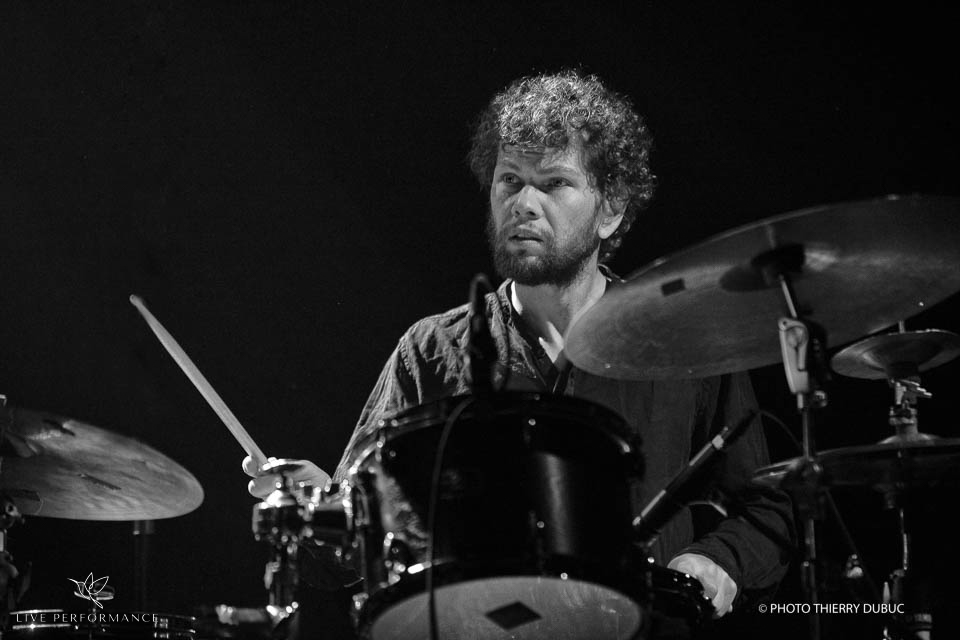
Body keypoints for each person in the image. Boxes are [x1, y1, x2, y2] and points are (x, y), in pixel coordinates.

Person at [246, 69, 793, 620]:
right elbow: (352, 554)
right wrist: (317, 510)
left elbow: (767, 510)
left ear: (610, 210)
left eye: (554, 183)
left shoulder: (686, 342)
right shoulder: (430, 351)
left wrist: (715, 561)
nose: (524, 203)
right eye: (510, 180)